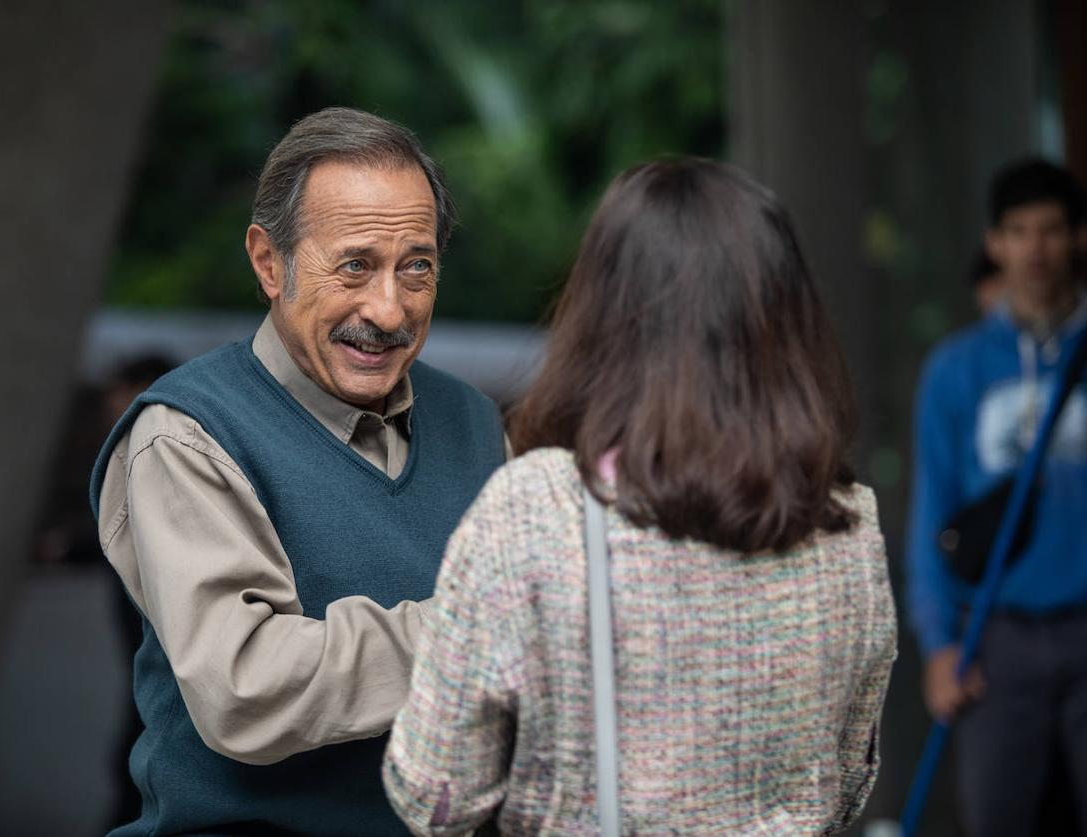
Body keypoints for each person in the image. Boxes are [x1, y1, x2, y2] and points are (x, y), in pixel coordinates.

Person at [383, 158, 897, 835]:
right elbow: (850, 779)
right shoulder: (851, 524)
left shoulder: (537, 508)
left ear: (605, 311)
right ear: (788, 319)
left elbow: (437, 794)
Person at [89, 107, 509, 836]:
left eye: (417, 266)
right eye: (355, 265)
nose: (388, 308)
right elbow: (245, 687)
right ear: (268, 262)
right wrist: (485, 633)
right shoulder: (187, 434)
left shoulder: (476, 422)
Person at [905, 158, 1087, 836]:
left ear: (1077, 238)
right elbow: (933, 512)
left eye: (1050, 231)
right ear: (995, 243)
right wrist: (939, 645)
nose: (1035, 250)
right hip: (996, 638)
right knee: (996, 818)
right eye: (1017, 232)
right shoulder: (957, 369)